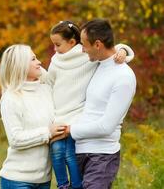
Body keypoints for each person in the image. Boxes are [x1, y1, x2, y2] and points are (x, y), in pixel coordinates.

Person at [41, 20, 135, 189]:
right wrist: (124, 49)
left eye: (83, 45)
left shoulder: (123, 77)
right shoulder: (97, 64)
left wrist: (69, 130)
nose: (81, 50)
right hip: (80, 149)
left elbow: (106, 126)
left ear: (97, 44)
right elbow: (114, 49)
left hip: (102, 155)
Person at [0, 44, 66, 189]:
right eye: (33, 59)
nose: (39, 62)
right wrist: (48, 132)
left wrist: (123, 50)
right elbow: (15, 139)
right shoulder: (11, 98)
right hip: (17, 180)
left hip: (44, 179)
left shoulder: (46, 90)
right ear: (21, 65)